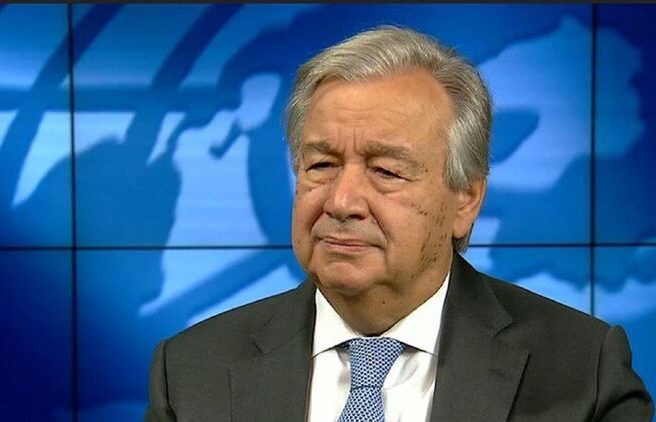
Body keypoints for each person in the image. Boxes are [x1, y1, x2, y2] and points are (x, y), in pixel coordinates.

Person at [144, 25, 653, 421]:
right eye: (321, 165)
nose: (342, 201)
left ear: (466, 199)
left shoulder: (583, 374)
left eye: (386, 171)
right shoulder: (190, 374)